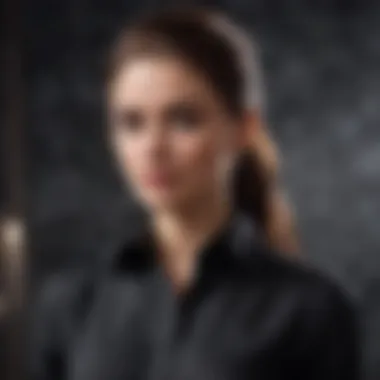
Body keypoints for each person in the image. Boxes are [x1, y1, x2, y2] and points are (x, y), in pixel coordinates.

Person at [28, 7, 359, 380]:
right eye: (132, 123)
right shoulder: (70, 303)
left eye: (183, 119)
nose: (153, 147)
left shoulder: (310, 311)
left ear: (243, 130)